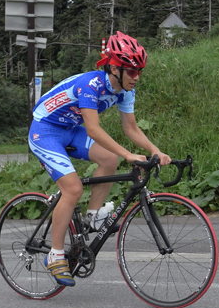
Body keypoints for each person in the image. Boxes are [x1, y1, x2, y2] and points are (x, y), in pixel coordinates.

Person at [28, 31, 171, 287]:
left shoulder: (126, 90)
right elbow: (93, 129)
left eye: (140, 71)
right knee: (72, 189)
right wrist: (128, 154)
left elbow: (131, 128)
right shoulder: (90, 84)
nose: (136, 77)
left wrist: (155, 150)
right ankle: (55, 255)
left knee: (109, 160)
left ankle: (94, 217)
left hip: (70, 129)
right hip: (45, 131)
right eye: (132, 71)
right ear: (115, 68)